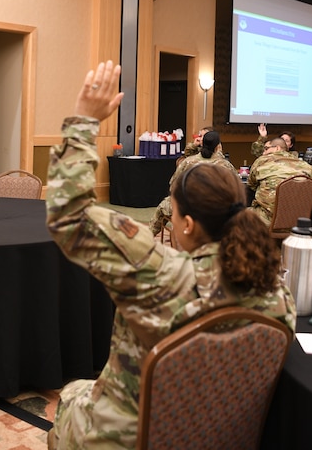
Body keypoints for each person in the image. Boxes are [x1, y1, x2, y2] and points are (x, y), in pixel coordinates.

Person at [45, 61, 295, 450]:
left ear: (188, 223)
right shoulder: (278, 294)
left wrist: (83, 121)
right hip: (222, 434)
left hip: (136, 437)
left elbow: (69, 218)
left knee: (73, 395)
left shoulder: (158, 274)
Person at [149, 130, 239, 236]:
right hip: (216, 210)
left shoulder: (188, 162)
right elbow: (236, 188)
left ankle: (148, 237)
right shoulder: (225, 165)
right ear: (218, 147)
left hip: (189, 208)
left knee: (163, 207)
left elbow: (173, 186)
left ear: (202, 144)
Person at [247, 137, 312, 224]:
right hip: (298, 222)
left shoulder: (262, 161)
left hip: (266, 219)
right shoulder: (304, 164)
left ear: (277, 148)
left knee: (237, 215)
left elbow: (251, 184)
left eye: (266, 149)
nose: (264, 152)